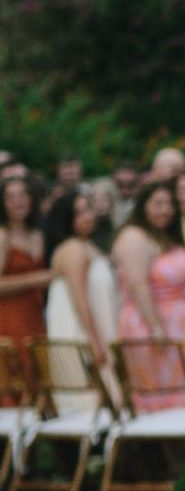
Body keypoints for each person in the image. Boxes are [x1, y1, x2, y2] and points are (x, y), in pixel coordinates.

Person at [113, 178, 185, 407]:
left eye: (169, 204)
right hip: (154, 325)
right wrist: (157, 329)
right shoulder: (133, 237)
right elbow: (138, 286)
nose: (166, 210)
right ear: (143, 206)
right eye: (157, 204)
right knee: (166, 393)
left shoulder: (166, 237)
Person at [44, 187, 120, 410]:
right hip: (80, 331)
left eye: (88, 209)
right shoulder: (73, 250)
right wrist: (95, 343)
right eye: (80, 212)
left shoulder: (88, 245)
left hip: (96, 326)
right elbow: (80, 299)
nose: (88, 216)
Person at [0, 169, 51, 362]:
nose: (18, 202)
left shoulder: (38, 234)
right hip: (9, 318)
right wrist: (34, 279)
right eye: (10, 197)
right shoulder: (2, 236)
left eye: (22, 195)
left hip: (36, 314)